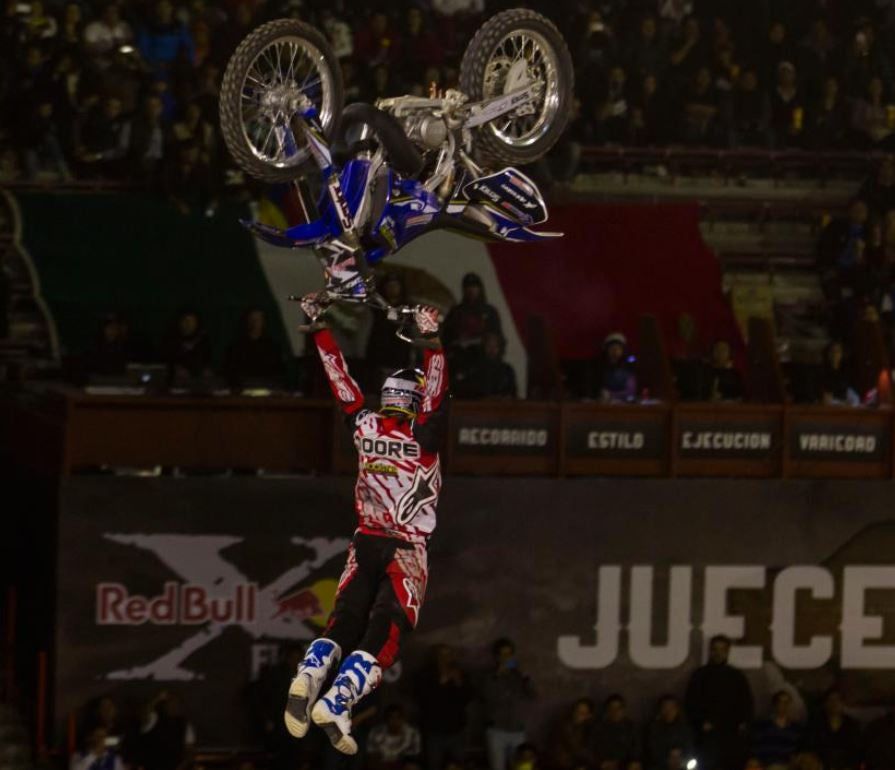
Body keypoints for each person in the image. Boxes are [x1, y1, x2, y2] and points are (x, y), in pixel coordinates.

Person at [283, 296, 447, 757]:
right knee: (388, 630)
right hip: (406, 549)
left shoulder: (364, 426)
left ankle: (309, 675)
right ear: (414, 402)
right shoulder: (422, 436)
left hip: (365, 543)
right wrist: (433, 344)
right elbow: (438, 396)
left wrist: (320, 329)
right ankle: (337, 700)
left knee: (345, 620)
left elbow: (342, 383)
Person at [684, 635, 754, 770]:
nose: (718, 653)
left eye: (722, 649)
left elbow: (747, 703)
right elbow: (691, 703)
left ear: (727, 652)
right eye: (715, 649)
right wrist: (701, 722)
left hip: (731, 735)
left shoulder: (737, 676)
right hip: (707, 737)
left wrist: (743, 723)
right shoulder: (699, 675)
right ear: (710, 651)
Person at [415, 644, 471, 770]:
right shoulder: (425, 675)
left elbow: (468, 698)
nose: (444, 658)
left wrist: (459, 683)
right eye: (441, 655)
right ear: (435, 657)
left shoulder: (460, 673)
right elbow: (422, 700)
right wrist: (441, 682)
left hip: (456, 731)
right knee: (434, 764)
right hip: (434, 732)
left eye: (448, 655)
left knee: (459, 764)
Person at [482, 638, 535, 770]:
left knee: (520, 766)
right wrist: (497, 676)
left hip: (517, 730)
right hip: (496, 730)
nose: (506, 658)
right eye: (502, 654)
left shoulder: (519, 675)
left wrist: (524, 676)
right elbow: (485, 696)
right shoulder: (488, 676)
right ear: (496, 657)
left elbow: (533, 695)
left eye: (509, 654)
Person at [224, 308, 285, 390]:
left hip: (267, 387)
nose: (254, 323)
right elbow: (231, 371)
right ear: (247, 321)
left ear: (263, 322)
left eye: (258, 320)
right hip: (243, 387)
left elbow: (277, 372)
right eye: (252, 319)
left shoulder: (272, 347)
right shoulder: (237, 347)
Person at [135, 692, 195, 770]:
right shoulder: (154, 719)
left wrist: (182, 766)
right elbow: (144, 713)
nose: (174, 707)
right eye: (171, 704)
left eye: (177, 704)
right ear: (165, 706)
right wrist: (157, 698)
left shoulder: (185, 725)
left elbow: (189, 750)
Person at [805, 688, 862, 770]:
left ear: (843, 703)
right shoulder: (816, 723)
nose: (834, 703)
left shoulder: (852, 725)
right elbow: (809, 747)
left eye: (838, 700)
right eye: (831, 700)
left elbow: (856, 751)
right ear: (825, 703)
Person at [750, 691, 803, 770]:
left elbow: (798, 750)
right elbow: (757, 747)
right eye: (781, 702)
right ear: (775, 704)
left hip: (788, 765)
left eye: (787, 703)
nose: (784, 706)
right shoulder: (764, 726)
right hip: (768, 764)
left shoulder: (795, 728)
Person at [458, 331, 517, 399]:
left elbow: (512, 394)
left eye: (495, 346)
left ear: (501, 348)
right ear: (484, 347)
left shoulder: (507, 371)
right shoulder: (475, 370)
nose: (492, 350)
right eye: (489, 346)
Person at [162, 309, 212, 388]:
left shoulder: (203, 340)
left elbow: (206, 364)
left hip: (198, 387)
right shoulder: (171, 340)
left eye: (192, 322)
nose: (188, 324)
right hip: (174, 387)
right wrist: (175, 371)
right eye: (185, 321)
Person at [594, 694, 642, 770]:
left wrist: (630, 761)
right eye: (611, 708)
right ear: (607, 710)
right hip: (604, 764)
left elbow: (636, 748)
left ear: (623, 710)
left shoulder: (631, 727)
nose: (615, 712)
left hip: (625, 764)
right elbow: (591, 748)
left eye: (618, 708)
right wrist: (601, 762)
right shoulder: (599, 727)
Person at [367, 705, 422, 770]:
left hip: (403, 765)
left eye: (398, 717)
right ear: (386, 719)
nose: (395, 721)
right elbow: (372, 756)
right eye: (391, 717)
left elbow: (413, 757)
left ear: (404, 719)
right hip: (382, 765)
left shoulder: (412, 733)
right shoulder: (376, 732)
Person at [646, 696, 693, 770]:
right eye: (665, 708)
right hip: (661, 764)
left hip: (683, 763)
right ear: (660, 709)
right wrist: (669, 758)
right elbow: (652, 750)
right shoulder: (653, 728)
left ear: (677, 709)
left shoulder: (685, 727)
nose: (669, 711)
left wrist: (680, 758)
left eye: (672, 707)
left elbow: (690, 747)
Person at [550, 697, 598, 770]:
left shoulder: (589, 728)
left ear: (589, 715)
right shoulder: (563, 726)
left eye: (582, 713)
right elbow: (570, 749)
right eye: (576, 711)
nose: (577, 715)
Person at [589, 332, 637, 403]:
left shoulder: (628, 369)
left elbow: (630, 391)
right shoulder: (598, 369)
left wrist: (612, 395)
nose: (615, 351)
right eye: (612, 348)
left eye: (618, 348)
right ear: (606, 350)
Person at [818, 341, 859, 405]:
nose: (834, 354)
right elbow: (826, 399)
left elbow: (853, 397)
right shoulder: (822, 372)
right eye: (832, 351)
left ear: (842, 354)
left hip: (845, 405)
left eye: (837, 351)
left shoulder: (846, 372)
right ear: (828, 353)